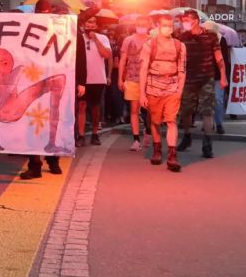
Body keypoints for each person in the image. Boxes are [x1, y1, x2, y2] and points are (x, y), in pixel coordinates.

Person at [20, 0, 67, 180]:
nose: (43, 16)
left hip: (55, 77)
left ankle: (53, 160)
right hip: (33, 79)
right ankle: (35, 164)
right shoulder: (27, 28)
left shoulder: (61, 29)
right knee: (34, 124)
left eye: (46, 13)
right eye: (41, 13)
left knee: (54, 119)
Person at [177, 10, 228, 158]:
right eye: (183, 20)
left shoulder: (211, 36)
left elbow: (219, 57)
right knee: (186, 111)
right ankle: (187, 136)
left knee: (207, 111)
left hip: (206, 78)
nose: (184, 22)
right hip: (188, 79)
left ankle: (207, 143)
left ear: (196, 20)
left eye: (187, 19)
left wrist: (223, 76)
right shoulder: (182, 37)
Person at [139, 15, 187, 172]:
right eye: (165, 25)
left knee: (171, 121)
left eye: (171, 25)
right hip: (153, 87)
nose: (168, 28)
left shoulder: (180, 46)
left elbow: (182, 70)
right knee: (155, 121)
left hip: (172, 87)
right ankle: (157, 148)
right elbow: (143, 69)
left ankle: (173, 154)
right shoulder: (149, 45)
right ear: (159, 26)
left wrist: (179, 90)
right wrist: (142, 93)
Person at [119, 16, 152, 151]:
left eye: (144, 24)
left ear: (149, 25)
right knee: (134, 109)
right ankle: (136, 139)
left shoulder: (152, 40)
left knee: (149, 109)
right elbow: (122, 60)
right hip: (132, 78)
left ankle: (148, 131)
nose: (141, 26)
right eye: (139, 24)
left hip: (149, 79)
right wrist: (120, 79)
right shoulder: (128, 40)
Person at [78, 16, 111, 146]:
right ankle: (81, 135)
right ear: (83, 24)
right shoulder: (79, 37)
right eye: (88, 22)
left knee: (95, 108)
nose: (90, 25)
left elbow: (107, 55)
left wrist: (95, 39)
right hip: (82, 78)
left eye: (93, 22)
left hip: (98, 78)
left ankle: (95, 134)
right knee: (81, 106)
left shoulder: (103, 38)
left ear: (96, 25)